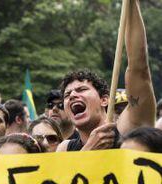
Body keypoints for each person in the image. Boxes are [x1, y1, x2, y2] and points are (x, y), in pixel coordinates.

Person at [57, 0, 156, 152]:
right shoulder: (64, 148)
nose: (73, 96)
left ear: (105, 100)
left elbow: (139, 67)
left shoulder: (129, 129)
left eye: (82, 89)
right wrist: (88, 150)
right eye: (67, 94)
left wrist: (132, 3)